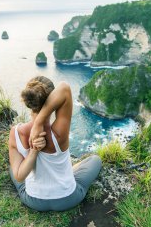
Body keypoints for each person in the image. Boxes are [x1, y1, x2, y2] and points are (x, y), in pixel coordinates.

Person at [8, 76, 102, 211]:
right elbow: (64, 87)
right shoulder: (59, 134)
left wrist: (33, 150)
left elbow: (20, 176)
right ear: (52, 101)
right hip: (68, 198)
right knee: (95, 159)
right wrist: (39, 123)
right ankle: (72, 171)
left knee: (13, 169)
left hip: (34, 200)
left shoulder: (15, 133)